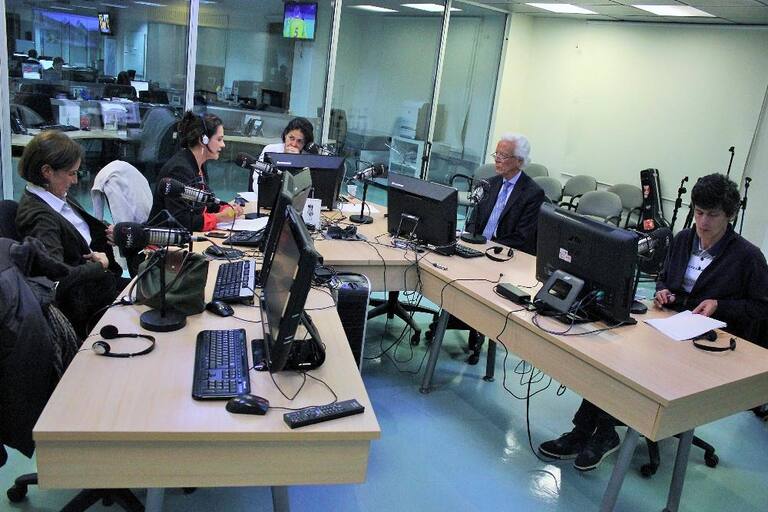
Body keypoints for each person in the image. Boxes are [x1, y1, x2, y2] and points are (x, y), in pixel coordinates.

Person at [538, 173, 768, 472]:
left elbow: (762, 307)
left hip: (709, 345)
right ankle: (588, 430)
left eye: (713, 215)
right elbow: (665, 277)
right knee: (614, 355)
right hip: (670, 326)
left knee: (635, 367)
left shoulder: (747, 256)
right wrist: (664, 291)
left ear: (730, 215)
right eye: (699, 212)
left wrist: (719, 305)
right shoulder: (684, 239)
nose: (703, 222)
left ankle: (600, 431)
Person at [15, 131, 125, 338]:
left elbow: (77, 231)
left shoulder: (54, 195)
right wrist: (99, 265)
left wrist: (106, 230)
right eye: (71, 173)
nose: (75, 180)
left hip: (100, 286)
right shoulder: (40, 218)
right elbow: (56, 279)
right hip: (85, 305)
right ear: (47, 171)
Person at [149, 111, 243, 232]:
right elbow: (182, 221)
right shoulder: (179, 170)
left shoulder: (197, 164)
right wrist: (220, 217)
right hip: (164, 239)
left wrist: (226, 208)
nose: (223, 145)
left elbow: (206, 202)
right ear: (203, 140)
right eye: (219, 139)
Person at [465, 133, 546, 255]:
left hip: (504, 253)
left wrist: (489, 247)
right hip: (478, 247)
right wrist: (471, 240)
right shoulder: (488, 184)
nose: (497, 159)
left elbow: (522, 237)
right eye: (496, 154)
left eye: (503, 155)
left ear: (519, 161)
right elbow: (473, 221)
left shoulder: (533, 193)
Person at [251, 117, 315, 191]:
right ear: (285, 135)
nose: (294, 144)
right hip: (266, 193)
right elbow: (257, 179)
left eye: (299, 141)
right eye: (291, 138)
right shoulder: (270, 150)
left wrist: (296, 161)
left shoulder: (307, 158)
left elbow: (303, 189)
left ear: (305, 144)